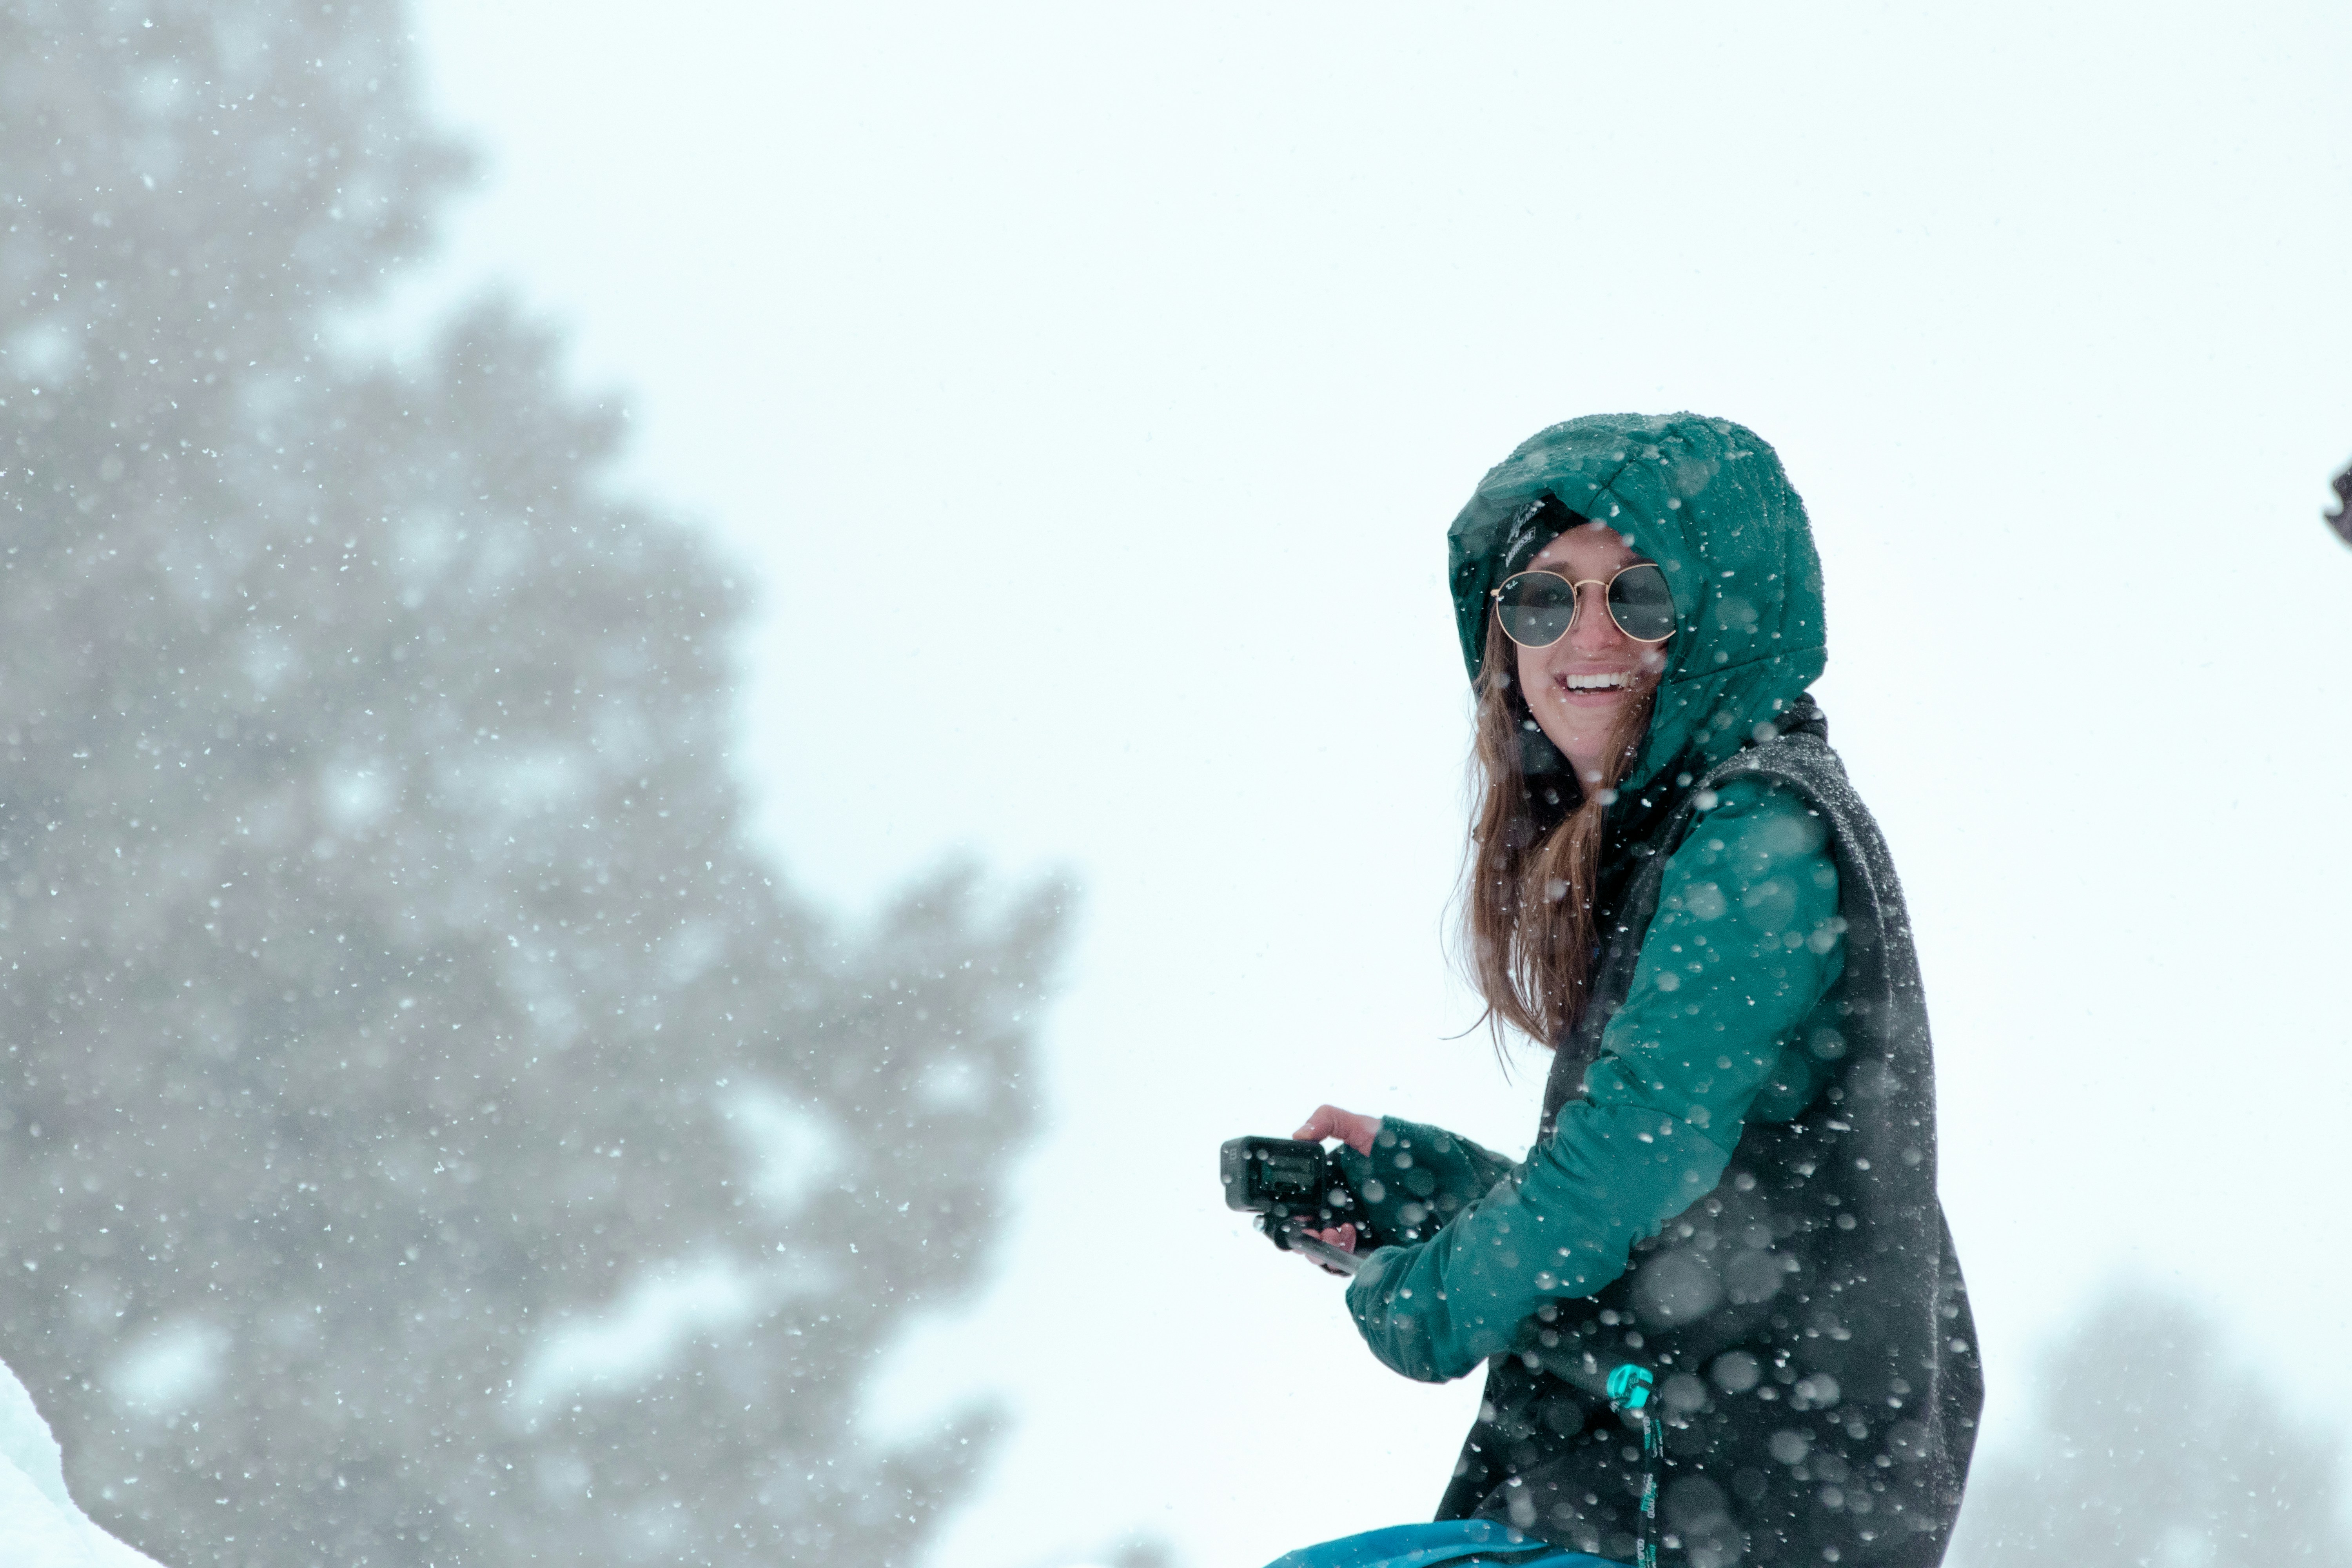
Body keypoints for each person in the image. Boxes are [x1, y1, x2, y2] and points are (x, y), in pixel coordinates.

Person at [1268, 414, 1981, 1568]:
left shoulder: (1760, 830)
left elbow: (1636, 1152)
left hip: (1725, 1504)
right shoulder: (1704, 832)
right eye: (1542, 602)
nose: (1583, 637)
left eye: (1638, 597)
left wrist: (1428, 1303)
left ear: (1722, 620)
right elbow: (1671, 1224)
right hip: (1691, 1489)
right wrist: (1437, 1187)